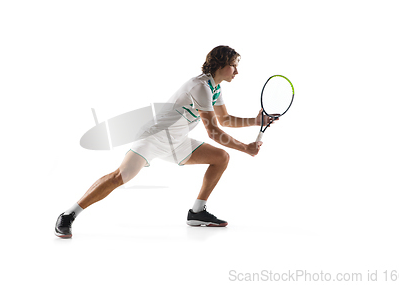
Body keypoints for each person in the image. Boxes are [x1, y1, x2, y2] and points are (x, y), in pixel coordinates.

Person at [55, 45, 276, 238]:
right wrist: (245, 148)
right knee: (120, 176)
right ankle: (68, 215)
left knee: (221, 158)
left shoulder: (215, 88)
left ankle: (197, 212)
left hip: (177, 141)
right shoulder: (200, 87)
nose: (237, 71)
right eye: (233, 66)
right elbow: (213, 132)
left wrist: (256, 121)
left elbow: (225, 119)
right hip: (153, 137)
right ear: (221, 64)